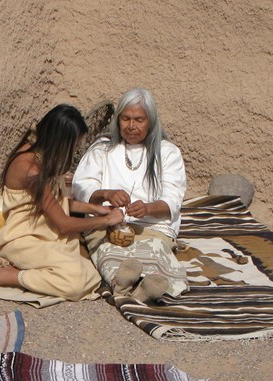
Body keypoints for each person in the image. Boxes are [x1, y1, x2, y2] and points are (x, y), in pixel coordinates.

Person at [0, 104, 124, 300]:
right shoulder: (30, 170)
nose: (75, 150)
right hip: (23, 239)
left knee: (90, 271)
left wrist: (96, 209)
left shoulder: (43, 158)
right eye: (74, 145)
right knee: (75, 282)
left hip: (46, 233)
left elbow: (57, 204)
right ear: (61, 142)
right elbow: (63, 223)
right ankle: (8, 275)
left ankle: (29, 269)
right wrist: (106, 220)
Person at [72, 88, 188, 301]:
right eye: (125, 119)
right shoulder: (102, 149)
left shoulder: (168, 152)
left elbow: (173, 198)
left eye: (139, 120)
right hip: (109, 224)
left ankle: (134, 287)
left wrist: (148, 208)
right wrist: (106, 193)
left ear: (150, 122)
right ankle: (135, 290)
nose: (131, 126)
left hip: (152, 227)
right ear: (117, 121)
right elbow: (82, 188)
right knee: (110, 254)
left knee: (154, 253)